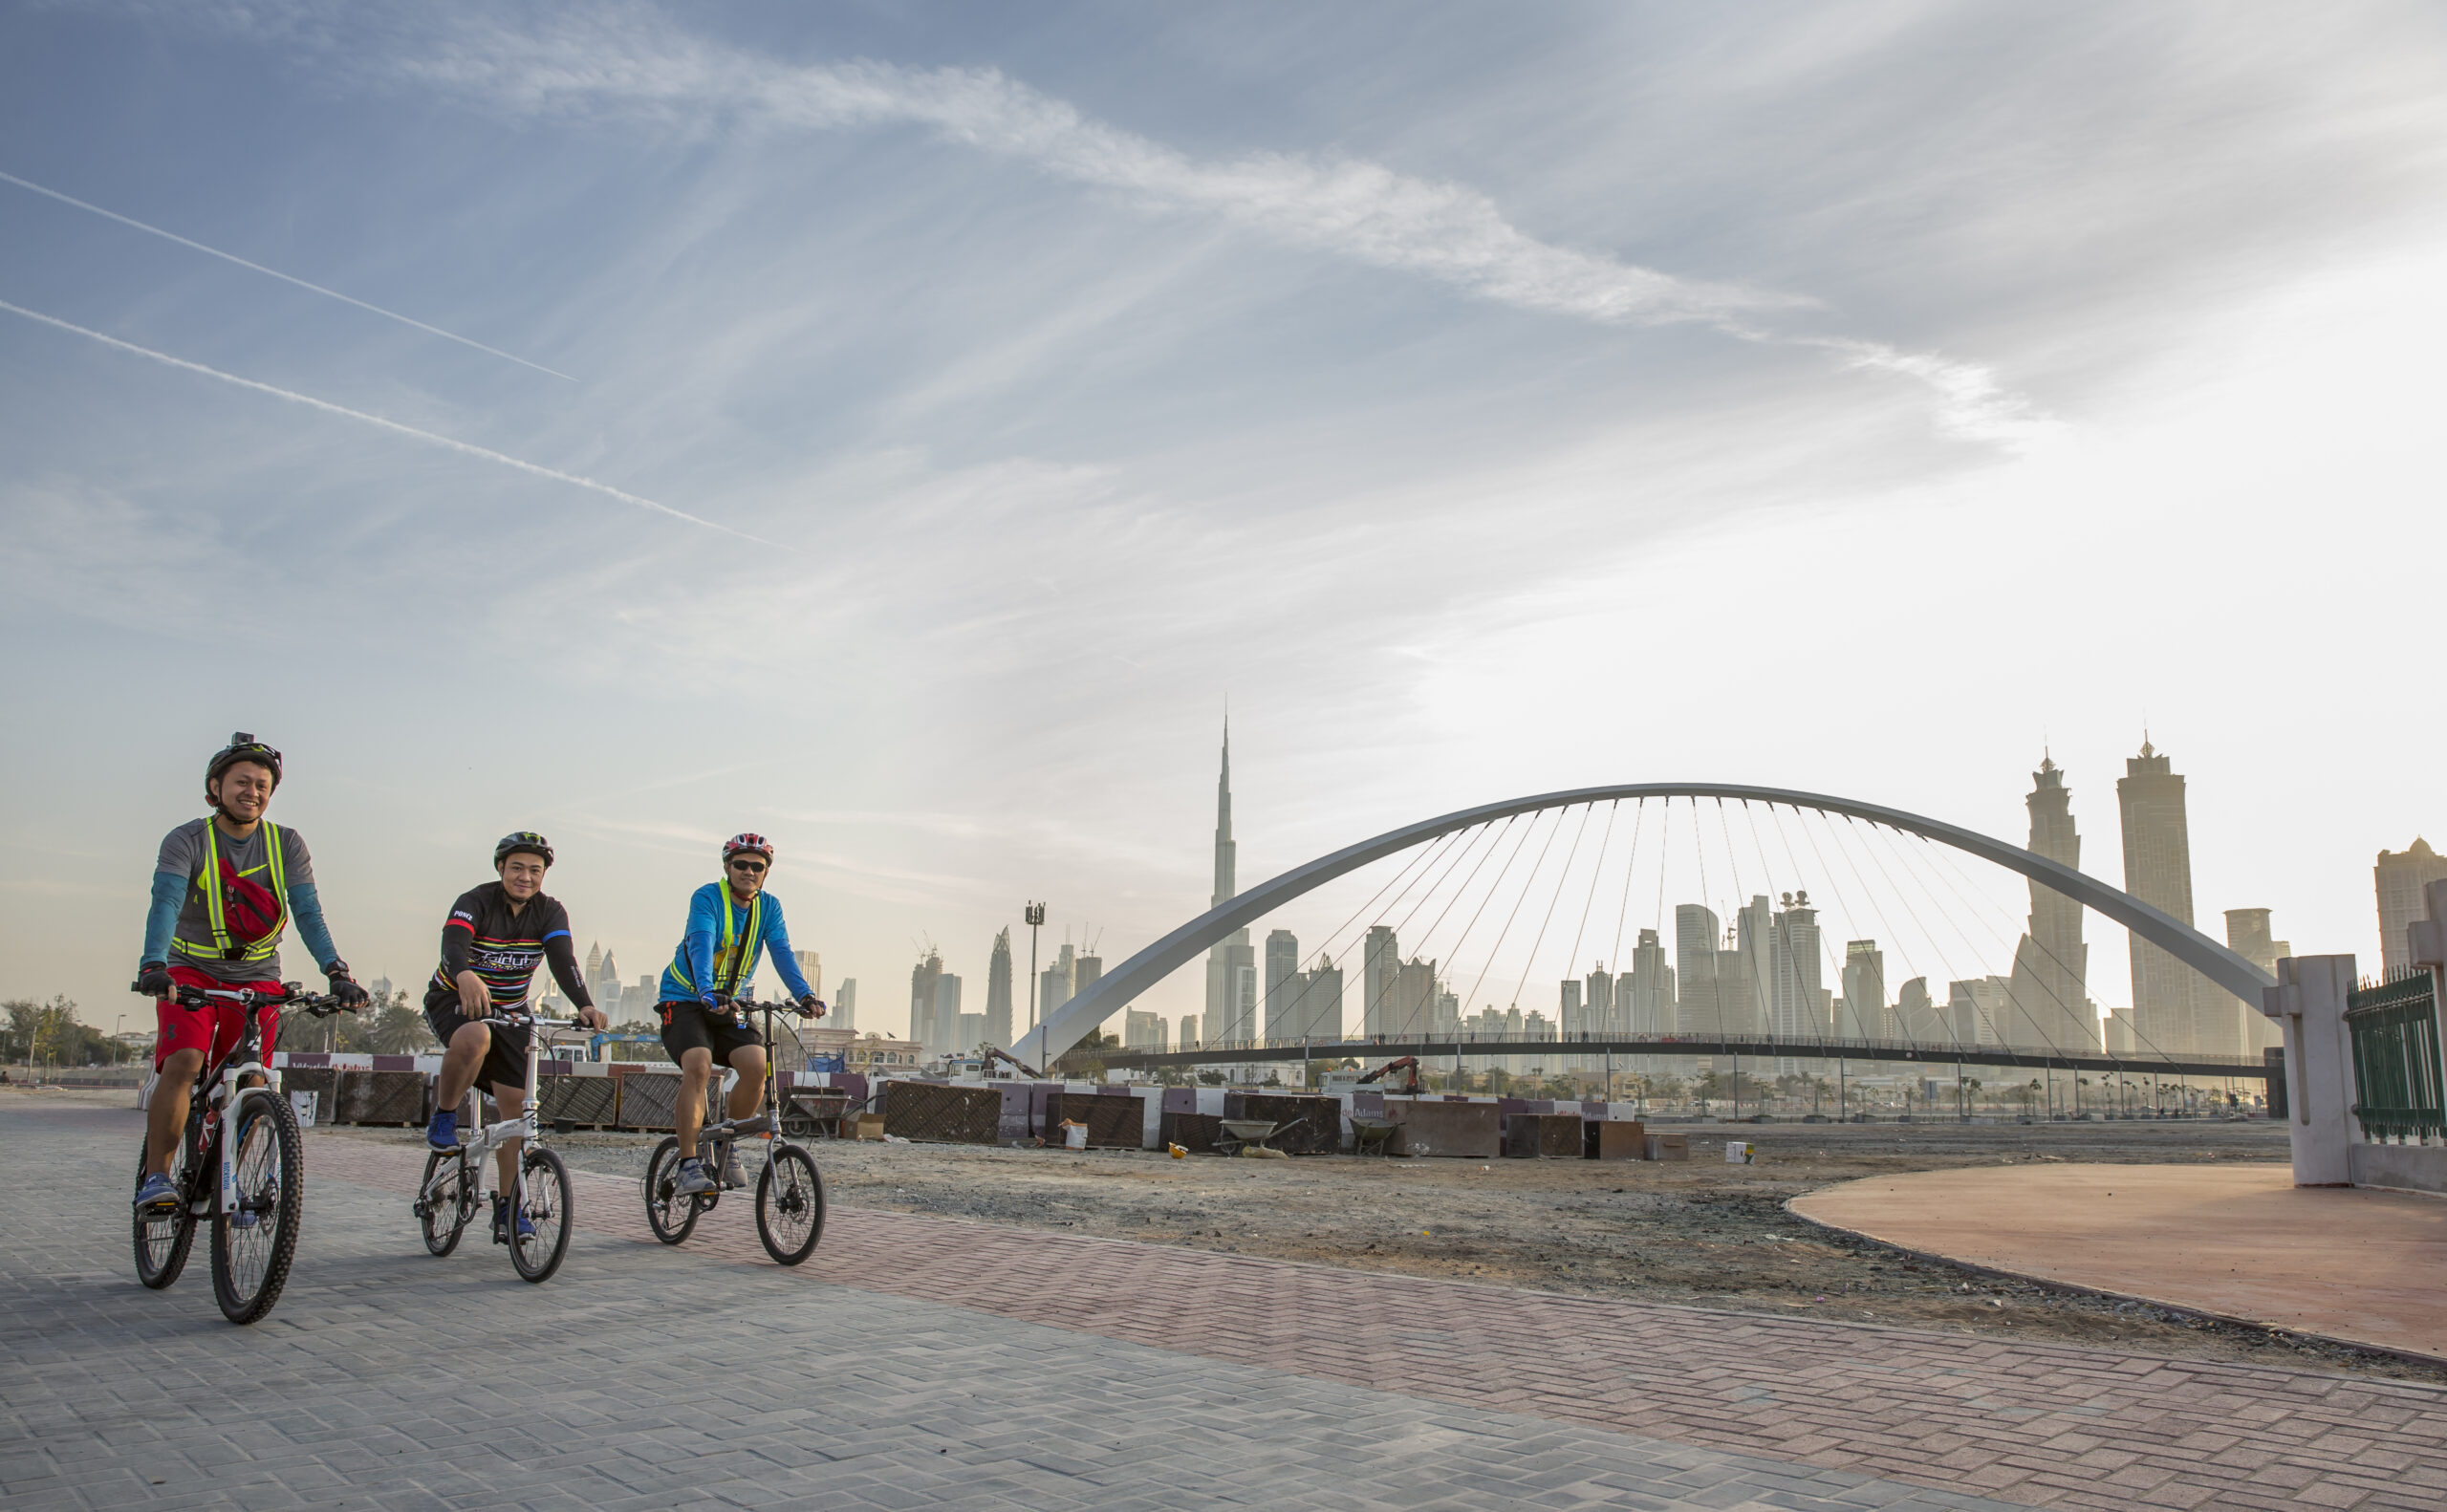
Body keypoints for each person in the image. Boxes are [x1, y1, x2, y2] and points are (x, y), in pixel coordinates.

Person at [135, 734, 369, 1212]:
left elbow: (307, 912)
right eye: (242, 782)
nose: (253, 792)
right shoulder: (187, 839)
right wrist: (153, 965)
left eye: (263, 785)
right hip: (189, 969)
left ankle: (222, 1171)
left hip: (258, 974)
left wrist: (336, 971)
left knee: (253, 1081)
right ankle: (157, 1177)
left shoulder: (286, 844)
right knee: (185, 1063)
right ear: (215, 787)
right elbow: (167, 902)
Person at [422, 832, 609, 1242]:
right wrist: (465, 974)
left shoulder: (549, 911)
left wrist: (585, 1003)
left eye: (534, 871)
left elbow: (564, 961)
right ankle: (445, 1115)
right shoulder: (474, 900)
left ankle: (508, 1206)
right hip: (455, 998)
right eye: (517, 868)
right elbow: (454, 945)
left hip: (510, 1010)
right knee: (474, 1039)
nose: (525, 877)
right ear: (501, 869)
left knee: (516, 1117)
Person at [653, 833, 821, 1196]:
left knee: (758, 1066)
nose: (749, 871)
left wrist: (804, 995)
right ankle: (687, 1163)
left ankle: (726, 1144)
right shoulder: (707, 897)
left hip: (731, 1003)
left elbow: (781, 953)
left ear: (766, 873)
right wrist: (704, 990)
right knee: (698, 1065)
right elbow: (701, 941)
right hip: (685, 998)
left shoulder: (770, 908)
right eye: (741, 864)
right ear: (727, 867)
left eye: (757, 867)